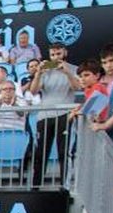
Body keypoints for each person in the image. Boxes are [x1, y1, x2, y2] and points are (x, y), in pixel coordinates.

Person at [29, 43, 82, 183]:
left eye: (58, 54)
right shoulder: (46, 70)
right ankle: (36, 186)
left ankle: (64, 186)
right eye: (53, 54)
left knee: (63, 152)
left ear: (64, 52)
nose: (56, 57)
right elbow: (33, 91)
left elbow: (77, 88)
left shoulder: (73, 69)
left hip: (65, 114)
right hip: (44, 115)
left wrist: (67, 72)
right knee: (40, 153)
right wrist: (38, 73)